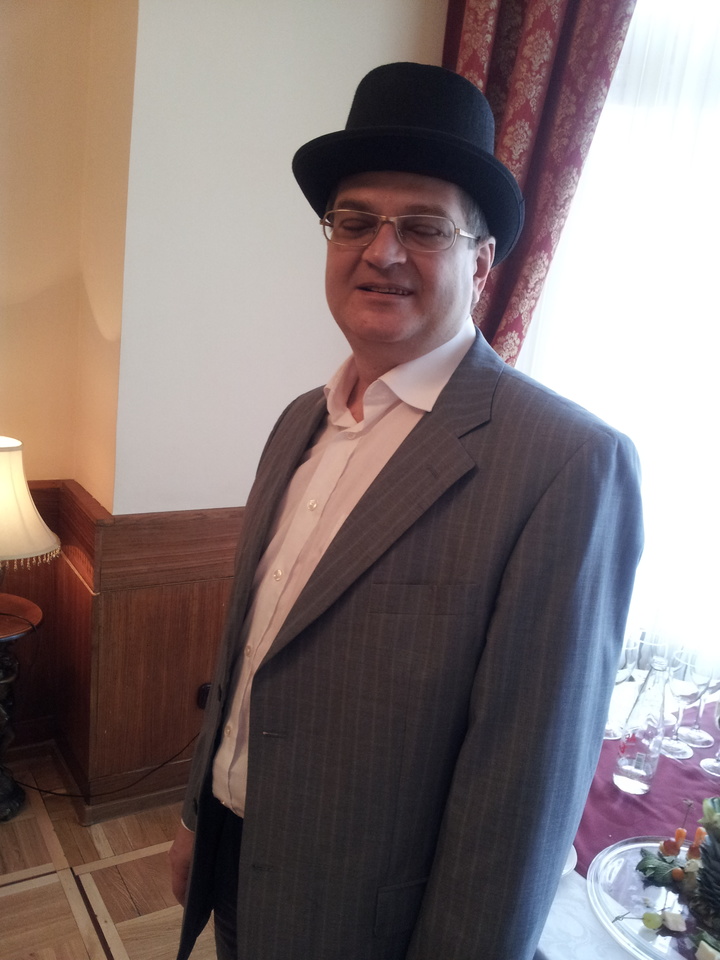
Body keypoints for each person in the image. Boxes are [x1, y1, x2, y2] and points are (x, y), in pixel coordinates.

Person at [170, 62, 643, 960]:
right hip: (236, 862)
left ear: (483, 261)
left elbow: (521, 797)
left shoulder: (567, 463)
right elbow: (250, 656)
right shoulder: (297, 421)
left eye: (424, 228)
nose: (380, 252)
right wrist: (200, 817)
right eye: (354, 222)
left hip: (373, 927)